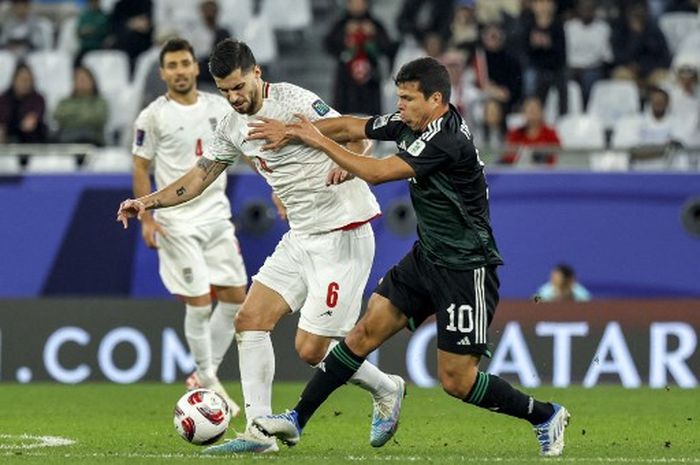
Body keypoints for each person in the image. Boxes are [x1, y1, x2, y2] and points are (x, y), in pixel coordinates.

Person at [249, 56, 571, 457]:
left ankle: (544, 415)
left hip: (465, 267)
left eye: (407, 98)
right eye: (398, 97)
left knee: (457, 380)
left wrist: (314, 140)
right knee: (362, 334)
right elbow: (353, 125)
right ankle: (296, 419)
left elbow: (379, 172)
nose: (399, 105)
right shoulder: (412, 121)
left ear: (435, 99)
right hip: (427, 256)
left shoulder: (446, 140)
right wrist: (295, 129)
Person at [116, 39, 404, 454]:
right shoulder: (231, 127)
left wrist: (348, 161)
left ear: (256, 74)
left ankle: (387, 388)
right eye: (224, 89)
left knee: (310, 350)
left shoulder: (292, 100)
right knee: (250, 320)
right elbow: (197, 179)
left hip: (343, 229)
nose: (233, 97)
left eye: (238, 86)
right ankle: (258, 432)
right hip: (302, 236)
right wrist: (146, 202)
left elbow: (355, 132)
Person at [130, 38, 248, 414]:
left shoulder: (219, 106)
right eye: (172, 65)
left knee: (235, 300)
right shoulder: (152, 116)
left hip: (216, 216)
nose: (180, 71)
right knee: (199, 301)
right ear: (162, 72)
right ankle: (206, 375)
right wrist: (147, 218)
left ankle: (204, 372)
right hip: (176, 221)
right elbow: (140, 168)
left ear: (195, 67)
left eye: (185, 63)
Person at [323, 0, 395, 115]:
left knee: (372, 117)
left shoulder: (375, 24)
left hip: (371, 78)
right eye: (354, 2)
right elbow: (329, 45)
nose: (357, 6)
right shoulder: (341, 24)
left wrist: (373, 35)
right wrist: (344, 35)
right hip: (346, 78)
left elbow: (388, 47)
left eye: (361, 2)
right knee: (343, 115)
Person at [54, 65, 109, 146]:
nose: (81, 82)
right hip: (66, 137)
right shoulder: (65, 101)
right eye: (78, 79)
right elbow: (58, 116)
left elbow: (98, 119)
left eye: (84, 79)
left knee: (84, 135)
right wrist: (85, 115)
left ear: (92, 81)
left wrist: (72, 115)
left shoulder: (100, 102)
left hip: (92, 138)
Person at [503, 96, 561, 165]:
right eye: (530, 110)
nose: (533, 113)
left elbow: (558, 154)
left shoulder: (550, 133)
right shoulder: (515, 133)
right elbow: (508, 156)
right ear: (524, 113)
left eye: (535, 110)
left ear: (541, 112)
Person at [0, 62, 48, 144]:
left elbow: (30, 122)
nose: (25, 83)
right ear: (14, 80)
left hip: (30, 138)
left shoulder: (38, 99)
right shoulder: (5, 98)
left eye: (28, 80)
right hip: (7, 136)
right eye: (22, 79)